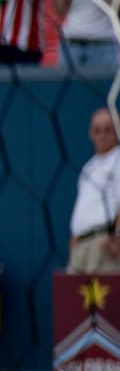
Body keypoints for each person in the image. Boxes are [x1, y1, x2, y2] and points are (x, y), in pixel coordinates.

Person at [69, 108, 120, 274]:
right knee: (70, 298)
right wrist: (75, 236)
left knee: (104, 300)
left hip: (103, 244)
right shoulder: (89, 167)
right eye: (97, 130)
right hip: (80, 247)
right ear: (90, 134)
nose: (102, 135)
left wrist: (118, 239)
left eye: (107, 129)